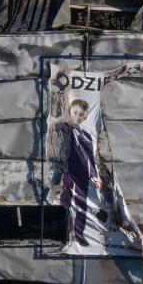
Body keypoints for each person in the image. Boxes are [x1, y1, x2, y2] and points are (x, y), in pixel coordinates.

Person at [59, 98, 100, 246]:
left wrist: (95, 177)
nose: (77, 116)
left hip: (80, 175)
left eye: (81, 114)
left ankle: (78, 234)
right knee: (63, 203)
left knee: (81, 206)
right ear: (70, 112)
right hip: (64, 174)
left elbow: (91, 159)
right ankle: (62, 233)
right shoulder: (60, 130)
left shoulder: (87, 136)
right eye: (75, 112)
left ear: (85, 116)